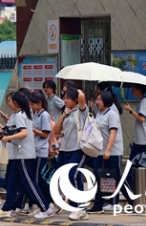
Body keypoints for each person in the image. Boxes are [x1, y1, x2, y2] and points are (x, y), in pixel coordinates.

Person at [0, 92, 55, 220]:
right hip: (16, 155)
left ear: (16, 102)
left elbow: (24, 133)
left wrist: (7, 137)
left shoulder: (21, 115)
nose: (8, 104)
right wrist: (0, 131)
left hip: (23, 155)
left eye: (9, 101)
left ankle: (46, 207)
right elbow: (10, 129)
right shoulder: (16, 115)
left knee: (29, 183)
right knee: (11, 183)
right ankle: (7, 208)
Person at [51, 87, 89, 220]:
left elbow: (82, 97)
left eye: (67, 98)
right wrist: (63, 115)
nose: (64, 100)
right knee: (64, 177)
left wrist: (75, 89)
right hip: (65, 150)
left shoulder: (81, 111)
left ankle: (80, 208)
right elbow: (55, 130)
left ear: (75, 99)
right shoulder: (66, 113)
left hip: (78, 149)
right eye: (64, 98)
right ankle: (76, 207)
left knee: (73, 174)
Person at [86, 90, 126, 214]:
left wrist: (108, 149)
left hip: (112, 151)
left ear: (106, 101)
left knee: (117, 177)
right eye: (97, 99)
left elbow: (113, 133)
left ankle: (132, 200)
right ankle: (98, 205)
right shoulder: (99, 114)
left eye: (99, 100)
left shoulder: (111, 114)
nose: (97, 102)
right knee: (99, 176)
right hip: (99, 151)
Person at [28, 91, 53, 210]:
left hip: (40, 151)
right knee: (37, 179)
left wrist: (32, 129)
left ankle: (46, 202)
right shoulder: (35, 114)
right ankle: (48, 200)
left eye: (33, 104)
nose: (31, 107)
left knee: (38, 180)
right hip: (33, 150)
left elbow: (45, 133)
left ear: (39, 103)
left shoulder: (44, 115)